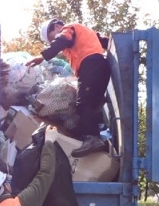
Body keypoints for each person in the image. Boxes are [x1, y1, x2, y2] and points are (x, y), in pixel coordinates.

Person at [26, 18, 111, 157]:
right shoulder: (87, 32)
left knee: (83, 104)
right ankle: (98, 139)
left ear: (56, 27)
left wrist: (42, 57)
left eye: (51, 37)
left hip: (91, 65)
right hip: (99, 66)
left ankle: (92, 138)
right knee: (94, 105)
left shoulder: (69, 29)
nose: (54, 40)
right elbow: (105, 41)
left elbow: (62, 39)